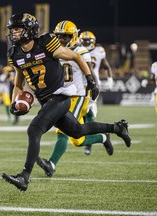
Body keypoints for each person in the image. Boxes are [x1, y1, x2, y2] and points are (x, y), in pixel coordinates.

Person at [1, 13, 131, 191]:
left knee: (34, 130)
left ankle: (24, 176)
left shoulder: (46, 43)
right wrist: (15, 103)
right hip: (46, 100)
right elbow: (18, 83)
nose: (14, 34)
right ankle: (117, 128)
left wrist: (91, 81)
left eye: (18, 29)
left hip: (61, 96)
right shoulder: (14, 54)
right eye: (12, 30)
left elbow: (76, 57)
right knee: (78, 131)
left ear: (30, 30)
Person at [36, 20, 114, 178]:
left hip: (78, 96)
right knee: (77, 140)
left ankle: (51, 164)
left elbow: (89, 73)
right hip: (61, 95)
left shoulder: (82, 51)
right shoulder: (53, 51)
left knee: (62, 132)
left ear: (74, 35)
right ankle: (103, 137)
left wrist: (92, 98)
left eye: (66, 36)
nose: (63, 39)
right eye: (60, 36)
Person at [79, 31, 114, 155]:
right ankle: (94, 139)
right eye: (84, 41)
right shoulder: (77, 49)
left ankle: (88, 145)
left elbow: (106, 66)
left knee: (89, 115)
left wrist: (109, 78)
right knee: (80, 117)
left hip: (91, 84)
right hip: (78, 85)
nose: (86, 43)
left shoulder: (99, 51)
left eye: (88, 41)